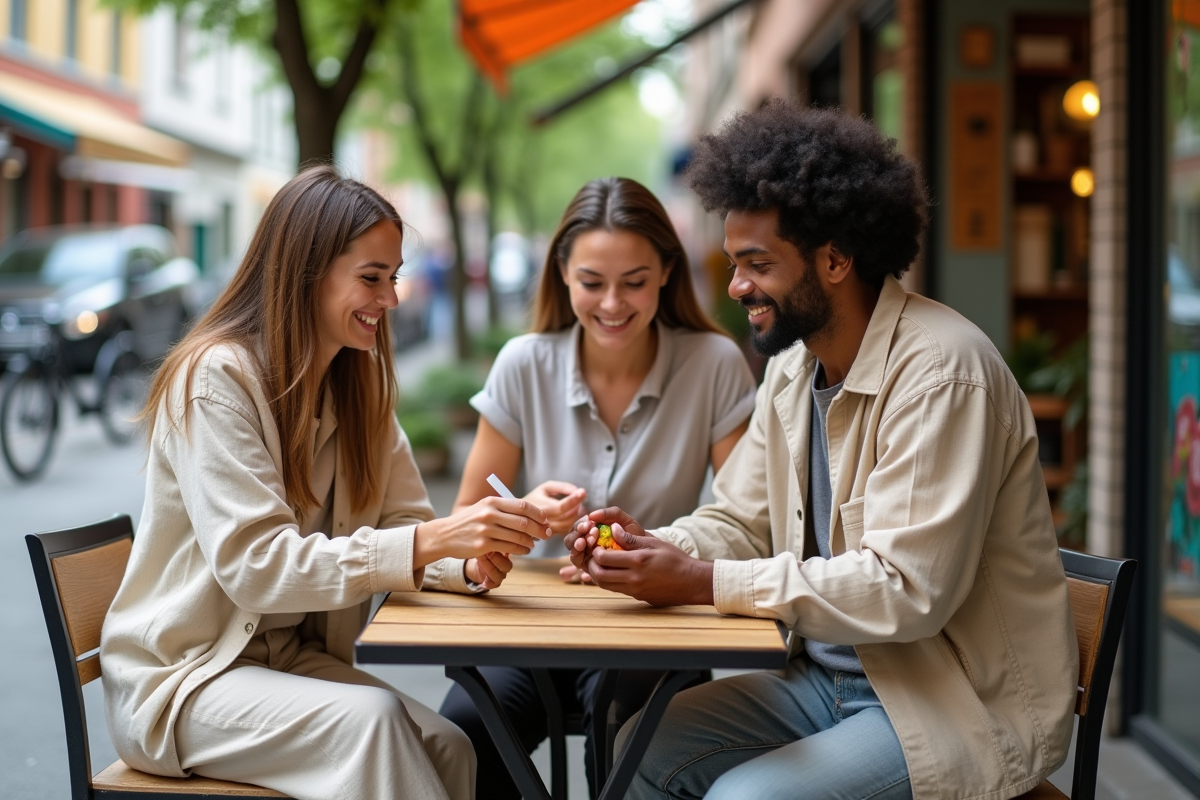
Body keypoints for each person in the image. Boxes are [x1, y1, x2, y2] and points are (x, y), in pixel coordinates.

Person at [568, 102, 1079, 800]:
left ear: (835, 259)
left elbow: (905, 589)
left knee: (748, 799)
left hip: (948, 704)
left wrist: (701, 582)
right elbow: (739, 522)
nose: (737, 286)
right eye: (733, 263)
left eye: (757, 264)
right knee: (640, 750)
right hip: (823, 681)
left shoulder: (942, 373)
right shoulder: (793, 368)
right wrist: (645, 546)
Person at [99, 166, 554, 800]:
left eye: (392, 278)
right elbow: (258, 569)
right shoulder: (216, 381)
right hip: (187, 681)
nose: (391, 300)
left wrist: (470, 560)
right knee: (373, 727)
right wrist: (436, 541)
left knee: (451, 745)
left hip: (287, 662)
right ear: (305, 271)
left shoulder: (358, 383)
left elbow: (404, 530)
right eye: (371, 278)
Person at [439, 176, 757, 799]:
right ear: (561, 273)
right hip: (529, 627)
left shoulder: (714, 364)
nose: (612, 304)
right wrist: (518, 517)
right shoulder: (523, 362)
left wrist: (652, 551)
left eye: (634, 282)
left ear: (667, 272)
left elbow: (746, 516)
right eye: (592, 282)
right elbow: (461, 524)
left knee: (632, 732)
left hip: (655, 626)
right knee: (465, 731)